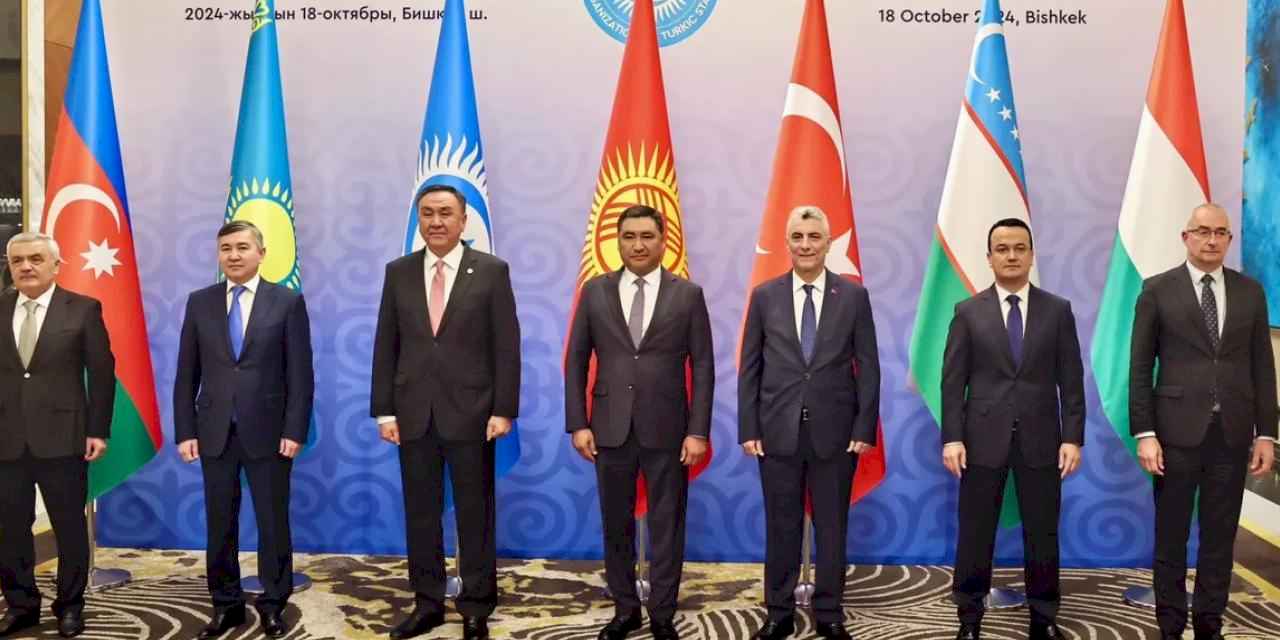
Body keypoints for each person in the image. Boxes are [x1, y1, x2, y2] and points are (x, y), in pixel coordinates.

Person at [371, 184, 520, 640]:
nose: (436, 221)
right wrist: (384, 412)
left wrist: (503, 409)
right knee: (421, 514)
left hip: (473, 414)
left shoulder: (491, 271)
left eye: (445, 213)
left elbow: (506, 346)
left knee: (475, 515)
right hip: (413, 414)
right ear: (419, 219)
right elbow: (386, 345)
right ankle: (427, 603)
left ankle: (476, 607)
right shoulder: (398, 272)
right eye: (427, 213)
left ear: (462, 220)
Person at [564, 204, 714, 640]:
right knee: (616, 525)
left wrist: (698, 430)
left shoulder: (688, 295)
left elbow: (703, 366)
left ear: (663, 241)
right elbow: (576, 360)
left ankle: (663, 613)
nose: (638, 245)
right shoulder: (595, 291)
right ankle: (625, 609)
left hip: (669, 428)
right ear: (618, 241)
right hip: (608, 427)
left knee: (668, 525)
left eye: (647, 236)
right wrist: (578, 423)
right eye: (629, 236)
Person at [1129, 203, 1277, 640]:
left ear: (1229, 239)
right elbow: (1140, 367)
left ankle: (1210, 623)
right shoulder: (1157, 290)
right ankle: (1170, 624)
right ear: (1186, 236)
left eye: (1220, 233)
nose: (1212, 240)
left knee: (1220, 536)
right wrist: (1145, 433)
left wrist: (1267, 433)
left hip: (1231, 434)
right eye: (1203, 231)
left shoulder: (1250, 292)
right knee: (1171, 536)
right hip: (1174, 436)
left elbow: (1262, 366)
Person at [738, 206, 881, 640]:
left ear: (828, 243)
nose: (805, 245)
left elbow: (868, 367)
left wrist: (863, 428)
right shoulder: (765, 296)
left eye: (814, 237)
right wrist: (749, 427)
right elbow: (750, 368)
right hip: (776, 432)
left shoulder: (852, 296)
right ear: (787, 243)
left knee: (832, 528)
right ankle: (778, 613)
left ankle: (830, 613)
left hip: (836, 435)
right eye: (798, 237)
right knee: (780, 527)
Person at [941, 217, 1085, 640]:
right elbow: (952, 383)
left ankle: (1044, 617)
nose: (1011, 256)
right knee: (975, 533)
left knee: (1042, 532)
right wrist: (952, 437)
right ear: (989, 258)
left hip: (1043, 439)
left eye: (1020, 248)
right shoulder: (967, 312)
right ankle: (969, 619)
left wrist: (1072, 437)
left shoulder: (1057, 310)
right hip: (981, 440)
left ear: (1031, 255)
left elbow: (1071, 380)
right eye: (1002, 249)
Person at [173, 220, 314, 639]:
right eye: (226, 248)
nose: (233, 255)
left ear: (261, 253)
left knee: (273, 523)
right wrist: (185, 430)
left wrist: (294, 430)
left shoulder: (287, 302)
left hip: (270, 433)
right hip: (214, 432)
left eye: (242, 247)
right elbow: (186, 374)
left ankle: (273, 603)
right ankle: (226, 605)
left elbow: (301, 375)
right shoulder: (200, 302)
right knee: (220, 524)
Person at [0, 232, 114, 638]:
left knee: (68, 528)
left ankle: (70, 606)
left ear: (55, 265)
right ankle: (21, 606)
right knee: (10, 530)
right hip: (7, 440)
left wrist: (98, 430)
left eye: (35, 258)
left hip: (64, 438)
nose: (26, 267)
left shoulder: (83, 309)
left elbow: (102, 374)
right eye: (17, 261)